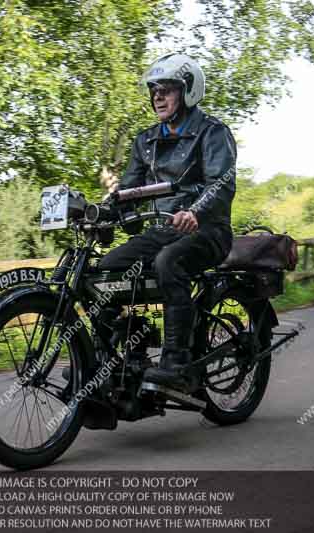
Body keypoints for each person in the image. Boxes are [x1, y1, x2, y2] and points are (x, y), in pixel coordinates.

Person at [97, 52, 237, 392]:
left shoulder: (212, 132)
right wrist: (101, 214)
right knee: (104, 270)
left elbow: (221, 185)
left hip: (208, 231)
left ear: (188, 91)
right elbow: (128, 191)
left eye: (167, 89)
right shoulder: (146, 140)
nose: (158, 97)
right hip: (162, 230)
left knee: (167, 262)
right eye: (154, 91)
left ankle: (177, 363)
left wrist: (195, 212)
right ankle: (123, 353)